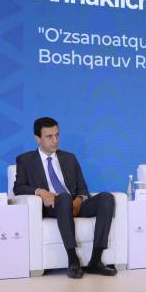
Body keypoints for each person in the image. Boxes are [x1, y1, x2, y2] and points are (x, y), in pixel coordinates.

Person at [13, 117, 117, 279]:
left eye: (57, 135)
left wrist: (79, 200)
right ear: (37, 138)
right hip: (53, 206)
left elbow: (82, 188)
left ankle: (96, 260)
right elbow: (18, 187)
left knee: (107, 198)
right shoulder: (25, 160)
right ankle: (73, 260)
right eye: (49, 136)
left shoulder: (69, 158)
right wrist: (41, 191)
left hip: (74, 204)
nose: (55, 140)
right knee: (63, 198)